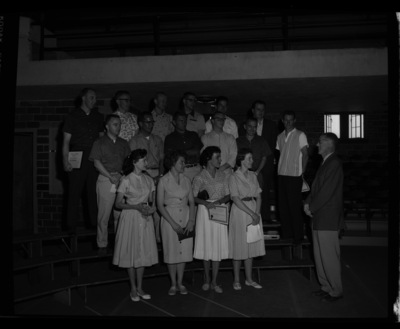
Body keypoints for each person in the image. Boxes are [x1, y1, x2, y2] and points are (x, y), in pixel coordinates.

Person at [113, 149, 158, 302]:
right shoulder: (126, 180)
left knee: (143, 252)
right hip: (130, 217)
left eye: (146, 160)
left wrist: (152, 209)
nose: (147, 162)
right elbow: (118, 204)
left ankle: (140, 287)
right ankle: (133, 288)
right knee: (131, 252)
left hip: (144, 217)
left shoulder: (149, 179)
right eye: (144, 160)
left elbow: (153, 202)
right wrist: (135, 207)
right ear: (134, 162)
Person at [304, 133, 344, 303]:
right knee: (320, 255)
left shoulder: (334, 163)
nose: (317, 145)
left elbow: (326, 192)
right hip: (319, 216)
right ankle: (326, 286)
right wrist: (307, 202)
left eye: (320, 142)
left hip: (327, 217)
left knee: (329, 256)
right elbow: (315, 188)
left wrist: (310, 207)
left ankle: (336, 290)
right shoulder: (325, 162)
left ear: (328, 144)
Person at [62, 88, 104, 233]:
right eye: (91, 97)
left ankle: (94, 225)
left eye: (95, 98)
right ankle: (70, 226)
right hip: (76, 154)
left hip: (93, 155)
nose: (94, 100)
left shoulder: (98, 116)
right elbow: (66, 142)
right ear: (83, 98)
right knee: (74, 190)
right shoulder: (72, 116)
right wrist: (65, 161)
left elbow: (101, 140)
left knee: (93, 191)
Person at [89, 114, 131, 254]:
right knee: (104, 214)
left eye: (119, 124)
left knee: (119, 213)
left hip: (121, 179)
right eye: (115, 124)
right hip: (106, 179)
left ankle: (119, 242)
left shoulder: (124, 143)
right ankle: (102, 244)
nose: (118, 127)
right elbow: (96, 162)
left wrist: (120, 174)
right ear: (107, 126)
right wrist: (109, 176)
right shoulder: (99, 142)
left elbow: (128, 162)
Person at [156, 150, 196, 296]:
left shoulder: (186, 180)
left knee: (184, 252)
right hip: (169, 218)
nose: (184, 165)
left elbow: (192, 202)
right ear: (173, 163)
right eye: (181, 162)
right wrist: (173, 224)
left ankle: (180, 282)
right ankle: (173, 284)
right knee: (171, 251)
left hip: (185, 217)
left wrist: (191, 220)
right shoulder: (163, 181)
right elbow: (160, 205)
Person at [192, 146, 230, 293]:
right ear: (208, 159)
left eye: (220, 157)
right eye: (217, 157)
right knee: (206, 244)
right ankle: (206, 279)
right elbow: (193, 197)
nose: (220, 160)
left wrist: (219, 202)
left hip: (219, 210)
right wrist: (206, 203)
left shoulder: (223, 175)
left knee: (217, 245)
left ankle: (215, 281)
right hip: (205, 211)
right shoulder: (199, 177)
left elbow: (228, 194)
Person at [228, 148, 265, 290]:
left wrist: (257, 213)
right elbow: (236, 199)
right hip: (240, 212)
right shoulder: (233, 177)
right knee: (239, 246)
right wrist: (252, 213)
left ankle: (249, 279)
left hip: (253, 210)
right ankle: (237, 279)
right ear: (241, 160)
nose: (252, 161)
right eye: (249, 158)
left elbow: (259, 196)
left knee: (250, 246)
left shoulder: (253, 175)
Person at [129, 111, 164, 242]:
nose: (150, 125)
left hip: (157, 174)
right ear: (141, 123)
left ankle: (158, 239)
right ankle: (144, 239)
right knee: (145, 206)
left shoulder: (158, 139)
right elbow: (135, 162)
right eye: (148, 122)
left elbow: (161, 159)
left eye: (152, 122)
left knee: (158, 207)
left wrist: (160, 175)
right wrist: (149, 177)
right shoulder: (134, 141)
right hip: (143, 174)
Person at [276, 110, 309, 244]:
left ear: (294, 121)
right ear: (282, 121)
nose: (288, 122)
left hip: (295, 176)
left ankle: (298, 236)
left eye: (291, 120)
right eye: (286, 120)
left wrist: (302, 174)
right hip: (281, 175)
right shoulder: (279, 136)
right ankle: (286, 234)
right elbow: (280, 155)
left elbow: (306, 155)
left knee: (294, 207)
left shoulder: (300, 135)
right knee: (283, 207)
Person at [250, 100, 278, 223]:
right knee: (249, 190)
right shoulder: (247, 124)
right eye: (258, 109)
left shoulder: (271, 125)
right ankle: (251, 215)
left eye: (262, 109)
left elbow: (274, 145)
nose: (260, 112)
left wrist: (272, 160)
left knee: (264, 190)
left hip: (266, 163)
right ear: (253, 110)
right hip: (250, 164)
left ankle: (265, 217)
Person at [236, 116, 271, 196]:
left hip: (256, 174)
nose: (252, 129)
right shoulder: (238, 141)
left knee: (257, 198)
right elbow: (235, 157)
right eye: (250, 126)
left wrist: (257, 172)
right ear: (245, 127)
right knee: (241, 197)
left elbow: (264, 157)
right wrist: (239, 171)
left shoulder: (261, 140)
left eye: (254, 127)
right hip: (241, 174)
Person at [164, 111, 203, 182]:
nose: (184, 123)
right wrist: (187, 152)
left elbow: (197, 151)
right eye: (181, 120)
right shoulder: (170, 138)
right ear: (174, 122)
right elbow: (172, 156)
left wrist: (180, 152)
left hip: (196, 168)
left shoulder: (193, 135)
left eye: (185, 120)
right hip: (180, 170)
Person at [201, 111, 237, 176]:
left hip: (227, 173)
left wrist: (221, 169)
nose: (221, 121)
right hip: (210, 173)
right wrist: (212, 170)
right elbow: (203, 156)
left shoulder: (230, 137)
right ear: (212, 121)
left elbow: (233, 156)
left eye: (223, 119)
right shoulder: (205, 138)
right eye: (218, 119)